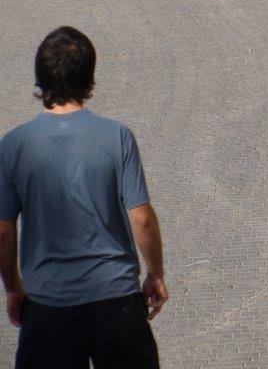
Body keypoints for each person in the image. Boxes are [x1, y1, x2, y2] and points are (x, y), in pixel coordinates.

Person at [0, 26, 167, 366]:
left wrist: (14, 287)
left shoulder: (13, 145)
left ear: (40, 77)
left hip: (48, 304)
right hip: (116, 300)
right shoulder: (117, 136)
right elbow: (142, 218)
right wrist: (156, 273)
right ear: (89, 75)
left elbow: (3, 231)